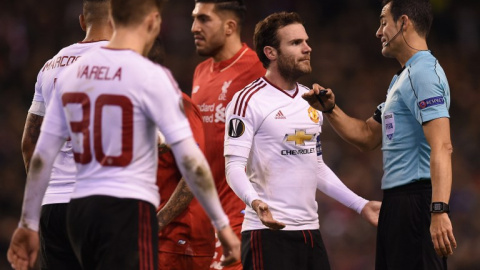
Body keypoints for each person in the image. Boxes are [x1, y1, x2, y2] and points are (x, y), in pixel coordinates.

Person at [7, 0, 240, 269]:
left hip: (72, 209)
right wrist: (222, 225)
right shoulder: (148, 74)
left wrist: (28, 222)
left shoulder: (68, 73)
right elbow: (192, 161)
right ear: (151, 22)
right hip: (125, 207)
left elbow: (38, 153)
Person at [302, 0, 457, 269]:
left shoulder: (424, 74)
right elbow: (367, 136)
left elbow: (443, 146)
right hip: (397, 204)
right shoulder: (401, 79)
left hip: (418, 202)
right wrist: (331, 110)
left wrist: (439, 209)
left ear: (404, 23)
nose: (378, 31)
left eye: (384, 22)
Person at [224, 11, 381, 270]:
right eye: (296, 43)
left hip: (310, 233)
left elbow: (315, 166)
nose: (308, 48)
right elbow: (233, 167)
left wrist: (361, 205)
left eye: (306, 41)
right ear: (271, 52)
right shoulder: (247, 100)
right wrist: (255, 202)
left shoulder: (311, 100)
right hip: (267, 234)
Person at [19, 0, 112, 269]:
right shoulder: (121, 61)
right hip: (100, 201)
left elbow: (29, 142)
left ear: (83, 21)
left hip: (53, 206)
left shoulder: (50, 66)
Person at [190, 0, 265, 269]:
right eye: (194, 19)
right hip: (204, 215)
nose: (194, 28)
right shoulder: (200, 72)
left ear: (230, 26)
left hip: (241, 211)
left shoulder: (258, 69)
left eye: (203, 19)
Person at [148, 39, 216, 270]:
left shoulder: (178, 106)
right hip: (156, 240)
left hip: (178, 240)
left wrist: (157, 222)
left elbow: (195, 173)